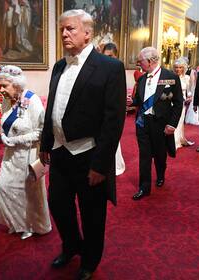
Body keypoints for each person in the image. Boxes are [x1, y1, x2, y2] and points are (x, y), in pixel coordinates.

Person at [39, 9, 126, 280]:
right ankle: (72, 245)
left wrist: (101, 164)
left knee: (91, 214)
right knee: (57, 204)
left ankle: (90, 259)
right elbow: (52, 106)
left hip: (89, 154)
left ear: (87, 33)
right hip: (59, 151)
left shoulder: (110, 67)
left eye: (71, 29)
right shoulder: (58, 66)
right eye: (62, 29)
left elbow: (113, 121)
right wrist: (45, 142)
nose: (64, 33)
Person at [0, 65, 51, 240]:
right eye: (0, 86)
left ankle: (31, 225)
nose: (1, 90)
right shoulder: (8, 100)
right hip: (10, 155)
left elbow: (41, 131)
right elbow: (4, 123)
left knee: (28, 192)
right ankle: (16, 221)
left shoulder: (32, 100)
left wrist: (15, 140)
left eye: (4, 86)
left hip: (29, 154)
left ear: (16, 84)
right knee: (4, 187)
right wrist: (3, 136)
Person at [127, 47, 183, 200]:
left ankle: (160, 174)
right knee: (144, 156)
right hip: (142, 123)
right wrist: (132, 101)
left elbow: (178, 103)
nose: (139, 64)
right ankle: (144, 188)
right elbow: (139, 100)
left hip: (160, 124)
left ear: (151, 61)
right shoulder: (142, 79)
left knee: (159, 154)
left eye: (141, 61)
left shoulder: (170, 77)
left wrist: (172, 124)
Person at [102, 43, 126, 176]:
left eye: (110, 56)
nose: (108, 59)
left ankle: (115, 165)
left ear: (116, 56)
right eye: (105, 56)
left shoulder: (118, 69)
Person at [172, 57, 194, 149]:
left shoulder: (187, 78)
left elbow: (189, 91)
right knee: (171, 122)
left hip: (182, 103)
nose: (178, 69)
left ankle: (176, 142)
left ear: (184, 68)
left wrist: (189, 97)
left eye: (180, 67)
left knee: (179, 121)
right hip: (171, 103)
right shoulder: (171, 77)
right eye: (176, 67)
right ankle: (170, 140)